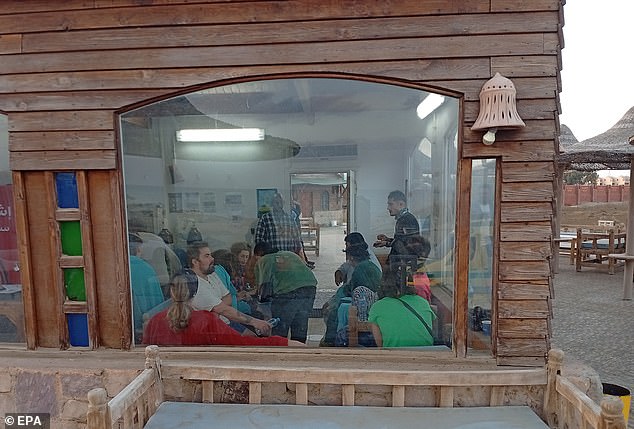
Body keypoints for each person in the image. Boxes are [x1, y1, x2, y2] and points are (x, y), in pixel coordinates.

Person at [143, 273, 305, 347]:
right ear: (195, 293)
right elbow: (242, 343)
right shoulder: (206, 320)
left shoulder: (155, 322)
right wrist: (284, 342)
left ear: (171, 292)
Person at [185, 241, 271, 336]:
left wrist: (217, 309)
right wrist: (255, 322)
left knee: (254, 336)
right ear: (195, 262)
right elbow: (224, 309)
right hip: (214, 330)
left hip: (228, 321)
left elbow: (228, 298)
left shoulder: (212, 274)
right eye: (207, 256)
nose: (212, 259)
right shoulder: (194, 284)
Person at [321, 233, 382, 346]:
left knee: (333, 311)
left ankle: (330, 342)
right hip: (366, 302)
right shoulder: (367, 264)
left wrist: (333, 302)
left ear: (352, 256)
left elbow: (351, 290)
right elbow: (346, 267)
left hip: (360, 305)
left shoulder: (360, 270)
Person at [253, 242, 317, 343]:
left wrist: (258, 303)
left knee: (280, 325)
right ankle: (299, 349)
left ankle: (279, 350)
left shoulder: (264, 260)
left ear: (259, 254)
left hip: (287, 293)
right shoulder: (290, 254)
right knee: (300, 322)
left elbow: (263, 287)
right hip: (310, 288)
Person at [368, 268, 435, 347]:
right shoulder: (423, 302)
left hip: (394, 356)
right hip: (427, 354)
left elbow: (380, 345)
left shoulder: (377, 307)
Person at [129, 233, 166, 342]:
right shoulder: (147, 269)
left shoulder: (116, 267)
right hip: (142, 327)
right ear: (138, 249)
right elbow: (157, 303)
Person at [373, 190, 420, 263]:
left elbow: (408, 246)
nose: (388, 208)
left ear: (401, 204)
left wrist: (386, 243)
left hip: (403, 265)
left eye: (391, 204)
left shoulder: (408, 220)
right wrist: (387, 239)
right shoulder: (403, 219)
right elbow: (402, 240)